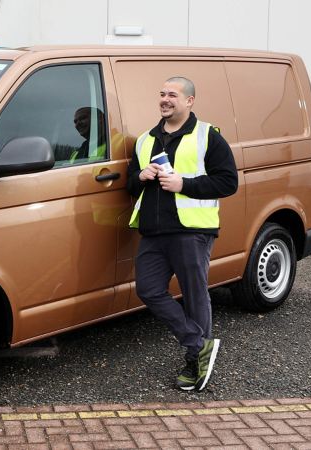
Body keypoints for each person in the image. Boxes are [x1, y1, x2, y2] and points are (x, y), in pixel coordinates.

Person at [126, 76, 237, 392]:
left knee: (194, 294)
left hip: (192, 231)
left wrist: (184, 185)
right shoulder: (146, 140)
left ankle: (195, 365)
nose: (165, 99)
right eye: (161, 94)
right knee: (148, 289)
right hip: (153, 231)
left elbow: (228, 182)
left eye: (172, 95)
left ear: (189, 101)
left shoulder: (207, 137)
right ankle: (199, 344)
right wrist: (141, 176)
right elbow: (131, 185)